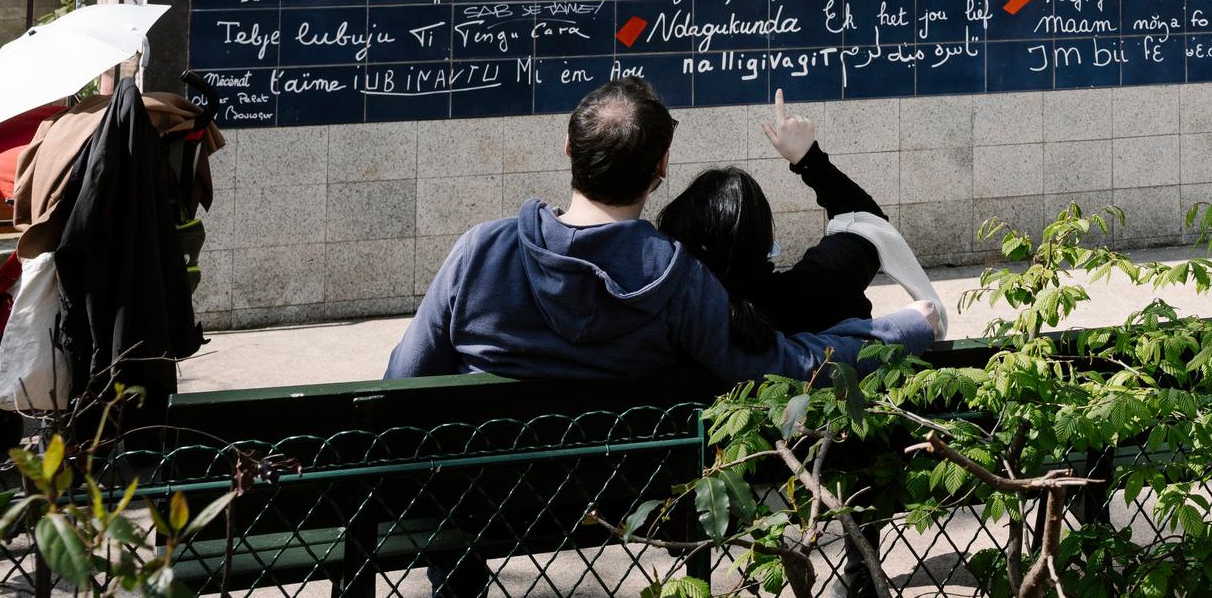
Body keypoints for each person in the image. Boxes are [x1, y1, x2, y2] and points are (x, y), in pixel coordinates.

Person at [384, 79, 942, 382]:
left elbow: (403, 380)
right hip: (624, 500)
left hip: (481, 498)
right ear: (661, 172)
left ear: (567, 150)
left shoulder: (480, 251)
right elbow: (785, 366)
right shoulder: (677, 280)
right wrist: (903, 329)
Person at [659, 92, 945, 346]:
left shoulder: (666, 312)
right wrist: (809, 158)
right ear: (763, 242)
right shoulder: (812, 292)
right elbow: (868, 223)